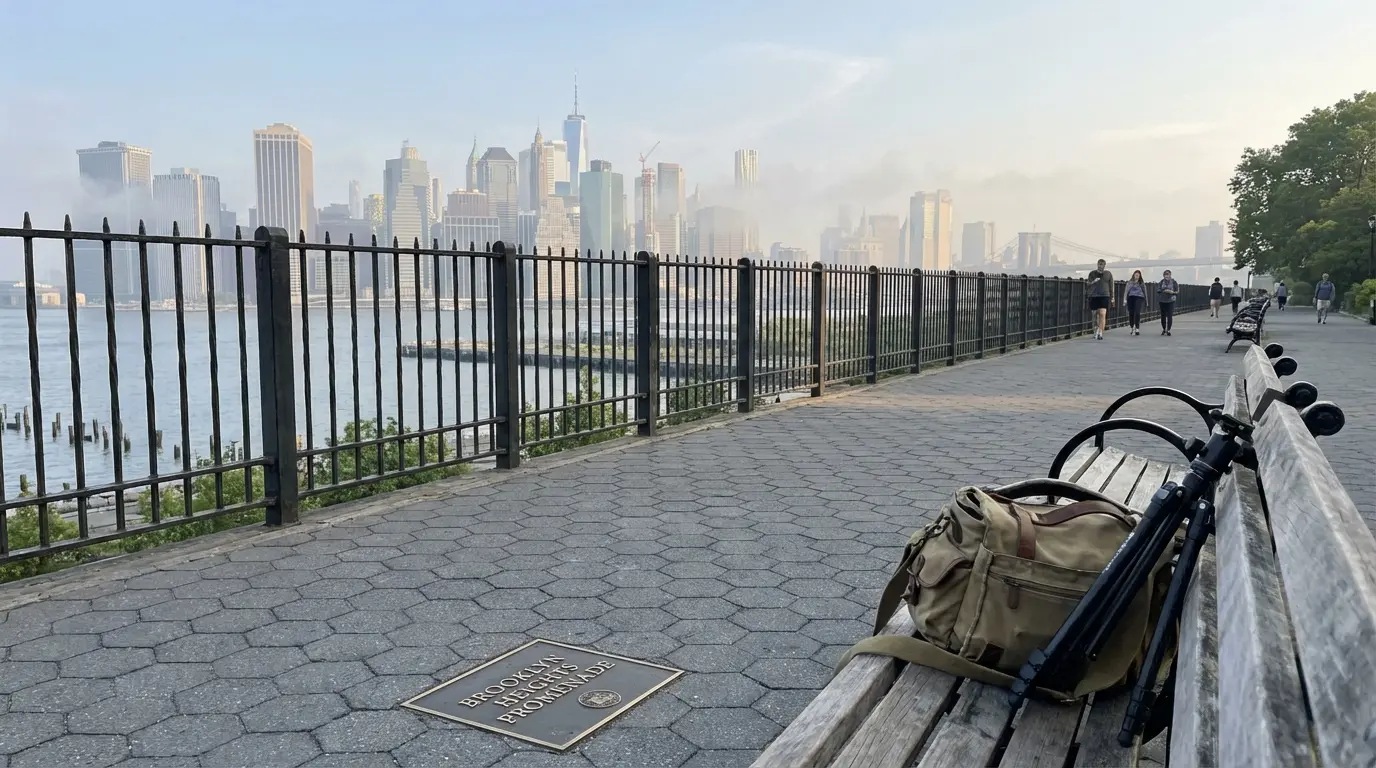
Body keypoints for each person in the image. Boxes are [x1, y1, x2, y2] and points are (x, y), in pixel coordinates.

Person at [1087, 259, 1114, 340]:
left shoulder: (1108, 274)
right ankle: (1095, 330)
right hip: (1094, 295)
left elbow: (1111, 285)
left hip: (1105, 295)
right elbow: (1088, 284)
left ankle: (1100, 332)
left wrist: (1112, 297)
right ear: (1097, 264)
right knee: (1094, 314)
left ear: (1104, 265)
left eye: (1102, 264)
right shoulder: (1092, 273)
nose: (1100, 266)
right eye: (1099, 264)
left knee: (1102, 314)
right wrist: (1093, 281)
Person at [1124, 270, 1147, 335]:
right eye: (1136, 275)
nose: (1137, 276)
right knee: (1131, 313)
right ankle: (1132, 327)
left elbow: (1145, 292)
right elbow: (1126, 291)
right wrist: (1125, 300)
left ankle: (1137, 328)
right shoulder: (1130, 282)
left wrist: (1146, 301)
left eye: (1138, 275)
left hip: (1139, 297)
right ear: (1133, 275)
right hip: (1131, 298)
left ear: (1140, 276)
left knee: (1137, 312)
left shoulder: (1141, 283)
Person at [1157, 269, 1179, 336]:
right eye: (1165, 275)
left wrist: (1172, 292)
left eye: (1168, 275)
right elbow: (1158, 290)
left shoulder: (1174, 282)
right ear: (1163, 276)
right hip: (1162, 300)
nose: (1166, 276)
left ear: (1170, 275)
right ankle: (1164, 329)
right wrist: (1164, 290)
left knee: (1169, 316)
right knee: (1163, 315)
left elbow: (1177, 291)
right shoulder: (1161, 282)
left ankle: (1168, 330)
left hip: (1171, 300)